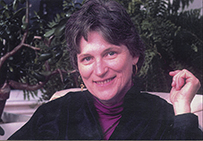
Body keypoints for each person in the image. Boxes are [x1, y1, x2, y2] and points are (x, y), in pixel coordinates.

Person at [8, 0, 202, 140]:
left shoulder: (164, 116)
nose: (99, 71)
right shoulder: (53, 114)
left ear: (134, 54)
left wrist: (183, 109)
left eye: (110, 53)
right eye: (87, 58)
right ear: (77, 66)